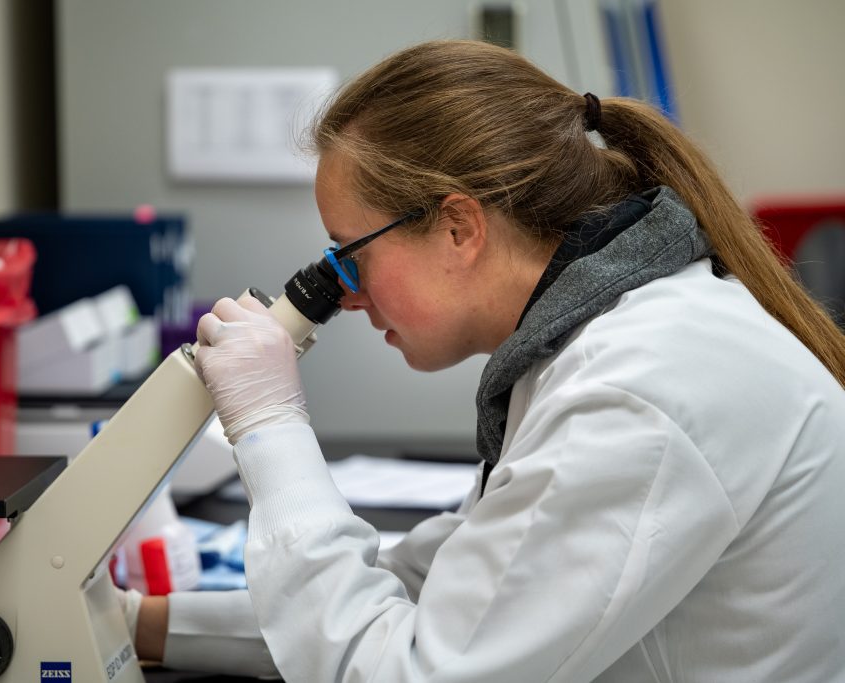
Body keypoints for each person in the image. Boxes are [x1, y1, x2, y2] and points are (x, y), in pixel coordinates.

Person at [120, 40, 845, 681]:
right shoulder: (597, 347)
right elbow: (426, 597)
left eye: (351, 255)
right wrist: (136, 623)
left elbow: (406, 668)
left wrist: (271, 421)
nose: (343, 295)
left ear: (460, 227)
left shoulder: (637, 392)